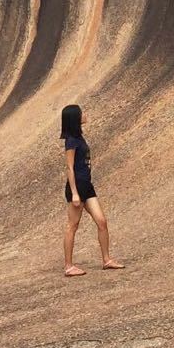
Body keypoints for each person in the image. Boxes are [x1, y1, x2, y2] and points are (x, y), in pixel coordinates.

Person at [61, 103, 124, 277]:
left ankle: (106, 260)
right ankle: (68, 266)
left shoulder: (79, 137)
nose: (85, 115)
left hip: (87, 185)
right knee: (72, 226)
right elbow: (69, 167)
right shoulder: (71, 141)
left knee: (102, 222)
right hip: (77, 188)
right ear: (75, 118)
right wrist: (74, 193)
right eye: (81, 113)